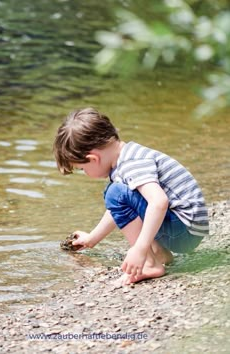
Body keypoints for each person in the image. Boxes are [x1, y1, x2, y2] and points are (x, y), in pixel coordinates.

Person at [53, 107, 209, 286]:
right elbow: (121, 209)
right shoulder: (128, 157)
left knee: (115, 193)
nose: (85, 173)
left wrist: (139, 249)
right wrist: (92, 238)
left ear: (93, 158)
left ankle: (149, 263)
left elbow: (159, 202)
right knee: (116, 193)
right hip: (188, 228)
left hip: (185, 231)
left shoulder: (132, 164)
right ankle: (158, 254)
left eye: (82, 169)